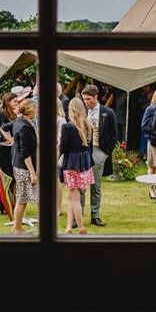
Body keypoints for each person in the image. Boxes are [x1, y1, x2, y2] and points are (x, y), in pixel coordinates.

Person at [79, 84, 118, 227]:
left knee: (96, 186)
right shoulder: (82, 111)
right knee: (81, 186)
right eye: (84, 99)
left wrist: (105, 154)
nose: (86, 102)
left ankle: (95, 216)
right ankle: (79, 215)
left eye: (88, 99)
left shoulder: (108, 112)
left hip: (99, 151)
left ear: (96, 97)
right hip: (83, 152)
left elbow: (114, 136)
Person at [59, 97, 94, 234]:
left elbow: (63, 147)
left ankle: (80, 227)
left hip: (71, 162)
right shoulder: (88, 124)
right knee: (72, 196)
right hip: (84, 162)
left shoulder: (67, 126)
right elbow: (90, 148)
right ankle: (68, 227)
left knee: (75, 198)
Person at [5, 99, 38, 235]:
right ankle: (17, 229)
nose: (37, 111)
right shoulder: (24, 126)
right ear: (30, 110)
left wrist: (12, 141)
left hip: (17, 164)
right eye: (35, 108)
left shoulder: (19, 121)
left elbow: (5, 128)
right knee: (22, 199)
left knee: (22, 199)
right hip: (23, 166)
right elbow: (26, 152)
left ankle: (17, 227)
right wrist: (32, 173)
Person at [0, 92, 19, 215]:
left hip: (14, 151)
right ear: (8, 102)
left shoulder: (16, 115)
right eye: (15, 102)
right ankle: (3, 203)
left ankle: (14, 202)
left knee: (14, 177)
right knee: (4, 178)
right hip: (3, 152)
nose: (17, 104)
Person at [55, 98, 67, 217]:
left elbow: (60, 140)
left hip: (55, 154)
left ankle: (58, 208)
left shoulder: (61, 120)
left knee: (56, 180)